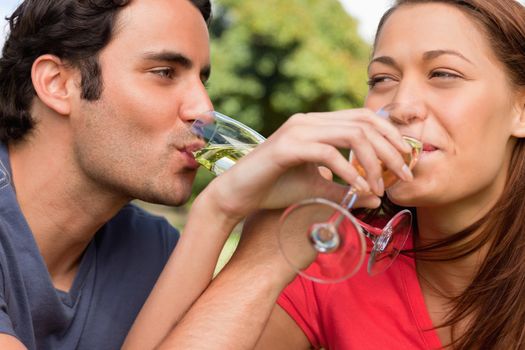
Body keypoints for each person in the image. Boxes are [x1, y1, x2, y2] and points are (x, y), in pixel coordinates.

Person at [0, 0, 413, 349]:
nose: (204, 108)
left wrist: (217, 215)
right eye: (164, 73)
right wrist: (227, 218)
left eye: (201, 78)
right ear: (57, 83)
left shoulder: (153, 250)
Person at [126, 0, 525, 349]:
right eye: (382, 80)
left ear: (520, 108)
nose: (402, 104)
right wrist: (220, 208)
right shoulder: (330, 265)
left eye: (443, 74)